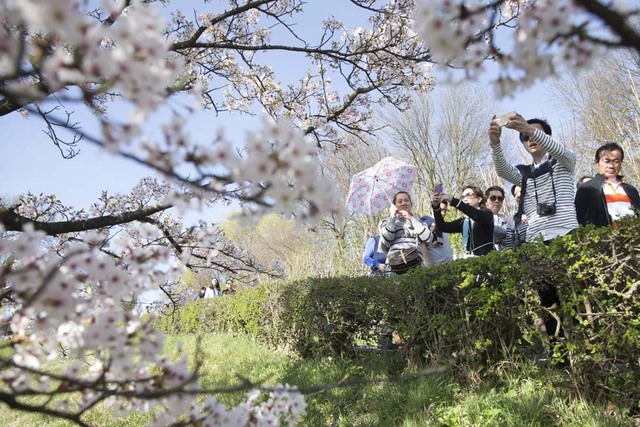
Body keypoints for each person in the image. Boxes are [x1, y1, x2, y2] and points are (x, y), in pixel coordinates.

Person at [489, 115, 578, 365]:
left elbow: (563, 152)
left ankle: (587, 355)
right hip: (537, 243)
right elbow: (502, 170)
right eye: (525, 137)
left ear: (546, 136)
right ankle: (560, 358)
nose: (530, 139)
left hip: (565, 237)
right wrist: (495, 143)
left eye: (535, 134)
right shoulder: (525, 174)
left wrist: (530, 128)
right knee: (550, 304)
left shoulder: (563, 162)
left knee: (576, 299)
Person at [575, 142, 640, 227]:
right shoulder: (587, 188)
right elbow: (579, 218)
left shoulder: (631, 190)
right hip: (603, 238)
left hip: (631, 237)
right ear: (597, 163)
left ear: (621, 164)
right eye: (607, 161)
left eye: (616, 161)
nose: (611, 166)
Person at [431, 185, 495, 257]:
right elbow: (442, 227)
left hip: (489, 261)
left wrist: (452, 200)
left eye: (468, 195)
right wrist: (436, 208)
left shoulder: (487, 213)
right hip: (471, 263)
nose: (465, 199)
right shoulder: (464, 222)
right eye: (463, 197)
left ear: (479, 199)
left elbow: (477, 215)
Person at [379, 191, 432, 274]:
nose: (404, 203)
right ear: (394, 205)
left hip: (417, 263)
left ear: (411, 203)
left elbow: (427, 238)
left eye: (406, 200)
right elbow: (387, 240)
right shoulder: (387, 221)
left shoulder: (419, 221)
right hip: (395, 266)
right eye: (399, 201)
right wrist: (392, 218)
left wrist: (412, 219)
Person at [420, 201, 454, 265]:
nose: (443, 213)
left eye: (445, 210)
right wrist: (431, 268)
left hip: (449, 266)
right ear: (431, 210)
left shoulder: (444, 226)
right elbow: (423, 247)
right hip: (436, 269)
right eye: (441, 210)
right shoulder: (425, 225)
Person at [504, 185, 528, 249]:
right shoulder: (512, 220)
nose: (519, 195)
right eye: (515, 194)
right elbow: (509, 245)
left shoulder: (540, 213)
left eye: (522, 191)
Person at [485, 185, 508, 250]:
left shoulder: (507, 221)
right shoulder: (479, 219)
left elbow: (513, 240)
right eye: (493, 198)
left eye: (500, 198)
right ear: (485, 200)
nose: (497, 201)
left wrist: (501, 241)